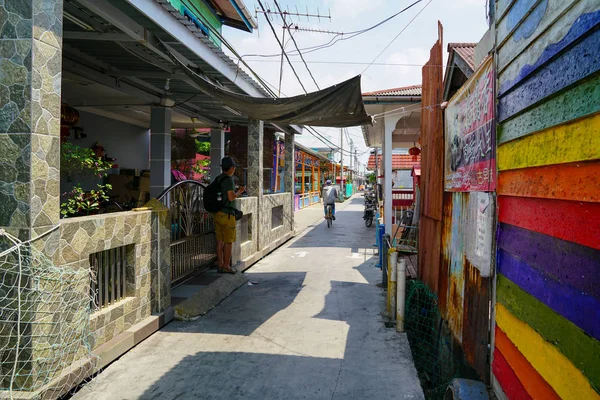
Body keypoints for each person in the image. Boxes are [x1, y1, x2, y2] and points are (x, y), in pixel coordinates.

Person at [213, 156, 245, 274]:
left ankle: (220, 265)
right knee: (228, 241)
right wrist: (240, 191)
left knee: (219, 241)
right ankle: (226, 265)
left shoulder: (218, 179)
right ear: (231, 168)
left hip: (217, 213)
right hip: (227, 214)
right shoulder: (228, 180)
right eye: (234, 167)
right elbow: (231, 197)